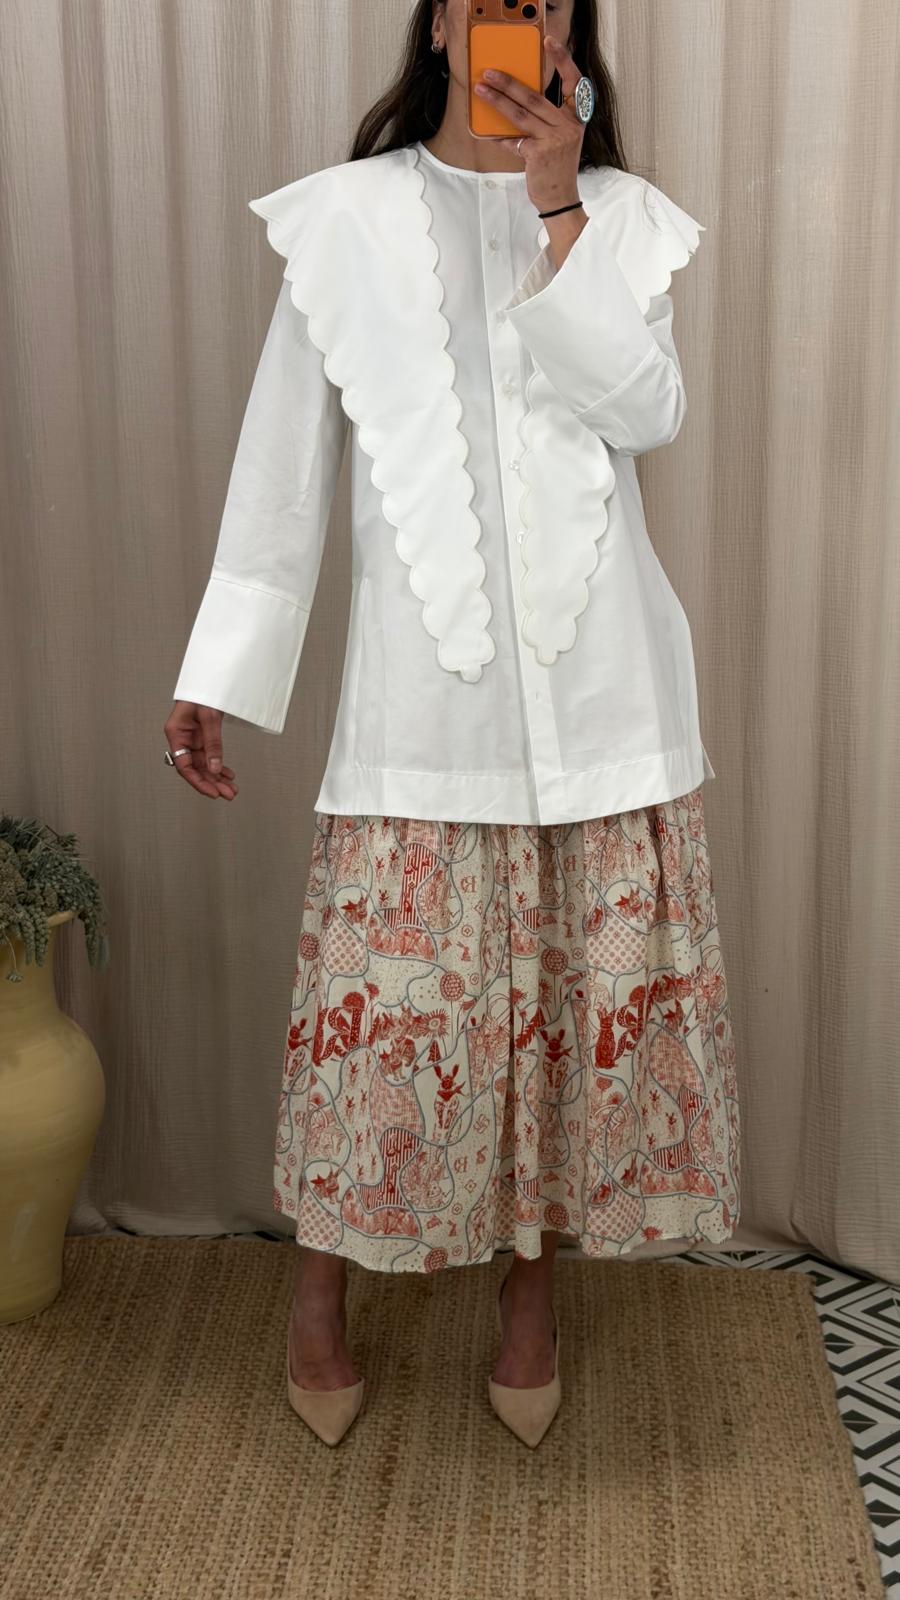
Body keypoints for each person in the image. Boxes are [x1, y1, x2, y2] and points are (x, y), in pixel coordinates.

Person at [165, 0, 741, 1449]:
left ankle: (530, 1307)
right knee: (381, 1033)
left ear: (570, 36)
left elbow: (646, 412)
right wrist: (220, 669)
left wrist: (558, 205)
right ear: (438, 24)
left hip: (606, 703)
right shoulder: (345, 219)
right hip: (422, 717)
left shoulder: (623, 219)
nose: (516, 19)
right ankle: (317, 1305)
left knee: (559, 1031)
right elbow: (285, 459)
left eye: (545, 1)